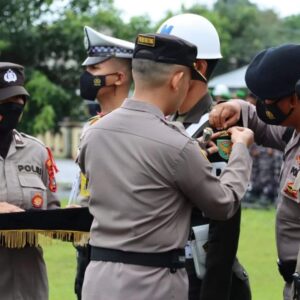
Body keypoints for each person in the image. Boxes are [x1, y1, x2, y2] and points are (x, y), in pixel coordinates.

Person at [78, 32, 254, 300]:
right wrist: (241, 149)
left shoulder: (93, 133)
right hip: (152, 283)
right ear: (178, 79)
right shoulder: (177, 145)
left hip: (99, 278)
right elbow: (223, 204)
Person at [157, 13, 251, 300]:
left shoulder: (220, 128)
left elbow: (224, 221)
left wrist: (213, 292)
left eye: (164, 63)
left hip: (199, 277)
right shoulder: (164, 120)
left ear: (197, 67)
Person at [209, 43, 300, 300]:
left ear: (295, 96)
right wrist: (240, 108)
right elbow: (269, 127)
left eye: (268, 99)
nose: (262, 105)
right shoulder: (295, 130)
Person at [72, 25, 134, 300]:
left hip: (120, 254)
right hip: (88, 246)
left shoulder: (136, 128)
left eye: (94, 71)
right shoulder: (93, 126)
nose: (86, 78)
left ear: (119, 77)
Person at [0, 62, 60, 299]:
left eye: (18, 101)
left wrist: (70, 217)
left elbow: (52, 213)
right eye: (5, 102)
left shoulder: (37, 152)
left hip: (27, 285)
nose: (15, 108)